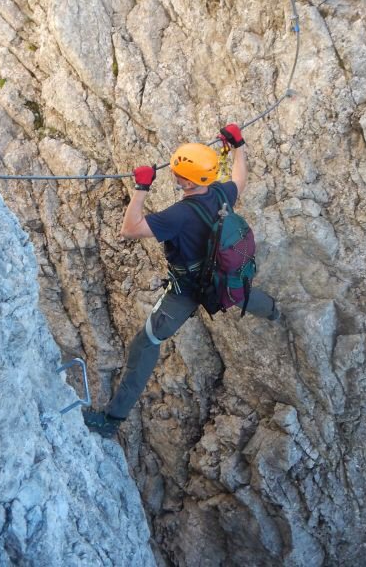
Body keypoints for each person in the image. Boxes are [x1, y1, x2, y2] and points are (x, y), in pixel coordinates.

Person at [83, 124, 280, 438]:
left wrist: (141, 188)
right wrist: (238, 145)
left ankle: (112, 420)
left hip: (186, 291)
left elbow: (130, 229)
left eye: (177, 171)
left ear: (186, 180)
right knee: (240, 293)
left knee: (145, 344)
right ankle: (274, 312)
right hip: (223, 277)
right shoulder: (221, 192)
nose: (174, 173)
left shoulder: (178, 215)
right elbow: (240, 179)